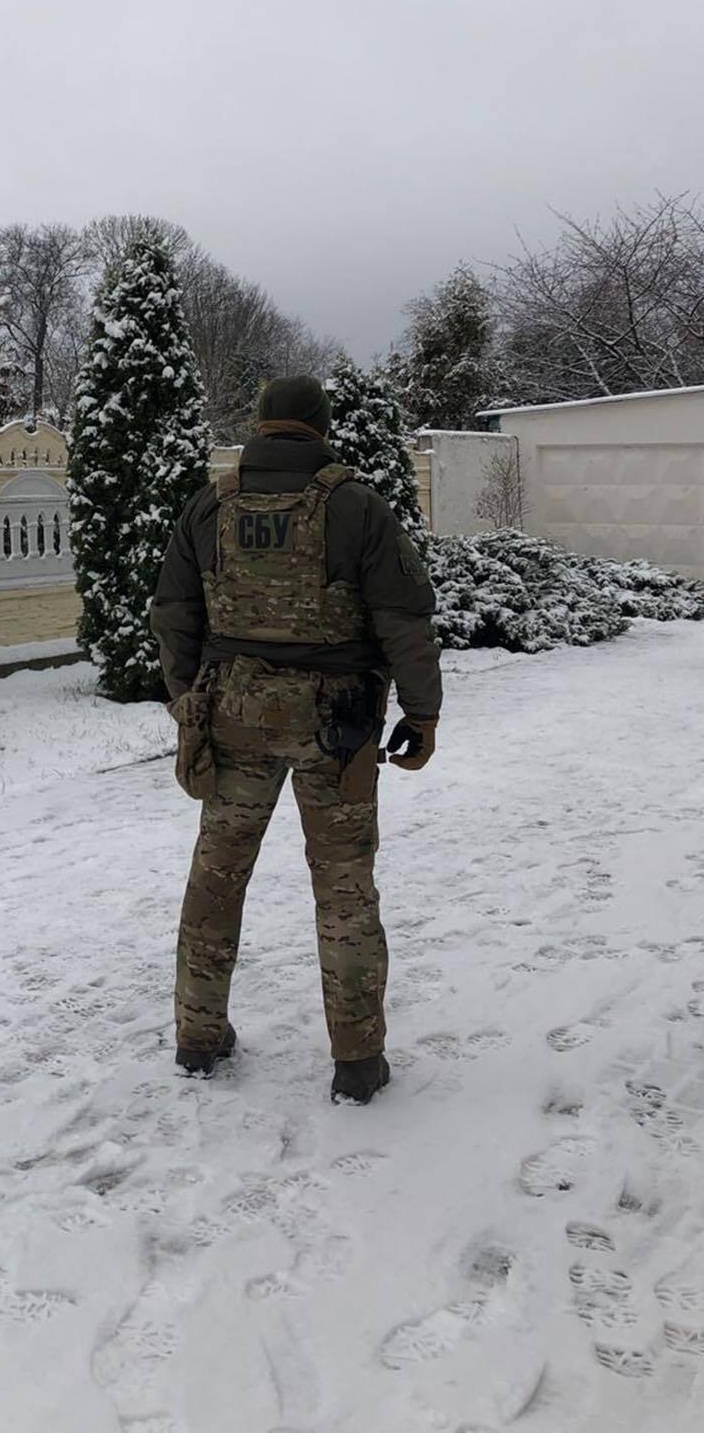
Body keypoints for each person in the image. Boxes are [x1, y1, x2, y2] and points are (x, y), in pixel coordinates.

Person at [150, 374, 442, 1104]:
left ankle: (198, 1037)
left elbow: (173, 610)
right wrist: (423, 713)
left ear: (260, 424)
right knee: (344, 888)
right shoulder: (356, 506)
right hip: (336, 725)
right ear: (321, 428)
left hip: (234, 716)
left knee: (216, 879)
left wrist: (186, 698)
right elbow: (404, 619)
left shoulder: (210, 505)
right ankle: (357, 1061)